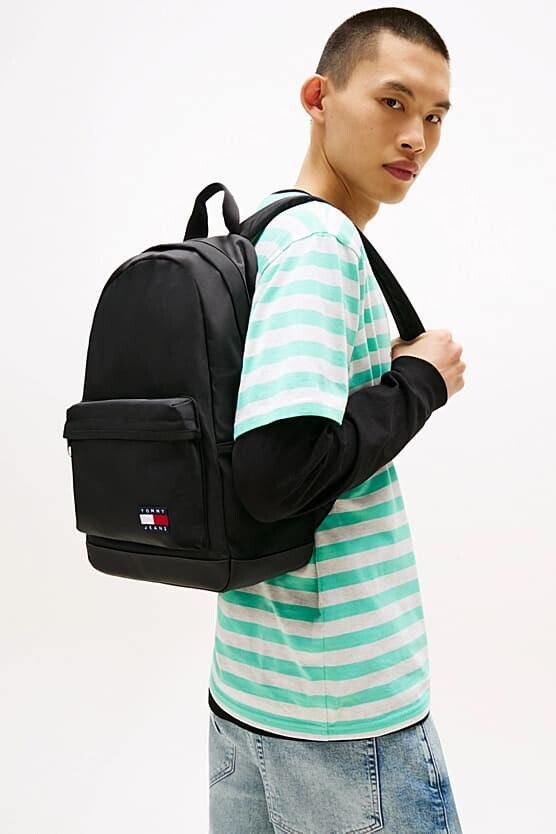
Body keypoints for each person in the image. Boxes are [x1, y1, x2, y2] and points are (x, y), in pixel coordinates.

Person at [208, 7, 466, 833]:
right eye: (393, 102)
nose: (416, 137)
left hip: (253, 682)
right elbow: (278, 474)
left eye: (435, 116)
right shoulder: (320, 242)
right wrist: (421, 381)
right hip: (344, 717)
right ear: (319, 97)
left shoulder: (266, 228)